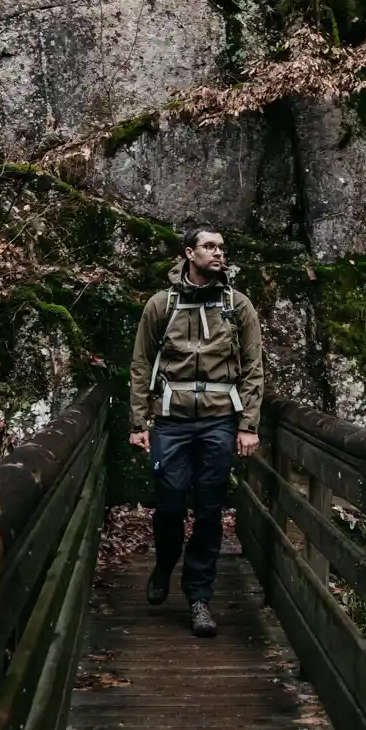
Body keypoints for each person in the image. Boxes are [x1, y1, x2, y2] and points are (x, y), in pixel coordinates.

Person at [128, 222, 263, 637]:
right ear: (189, 253)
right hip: (171, 421)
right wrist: (138, 422)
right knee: (168, 505)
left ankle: (199, 597)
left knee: (209, 511)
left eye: (222, 247)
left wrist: (248, 425)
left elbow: (254, 368)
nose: (218, 253)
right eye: (209, 246)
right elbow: (140, 365)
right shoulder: (160, 305)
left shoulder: (237, 305)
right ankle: (166, 561)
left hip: (220, 421)